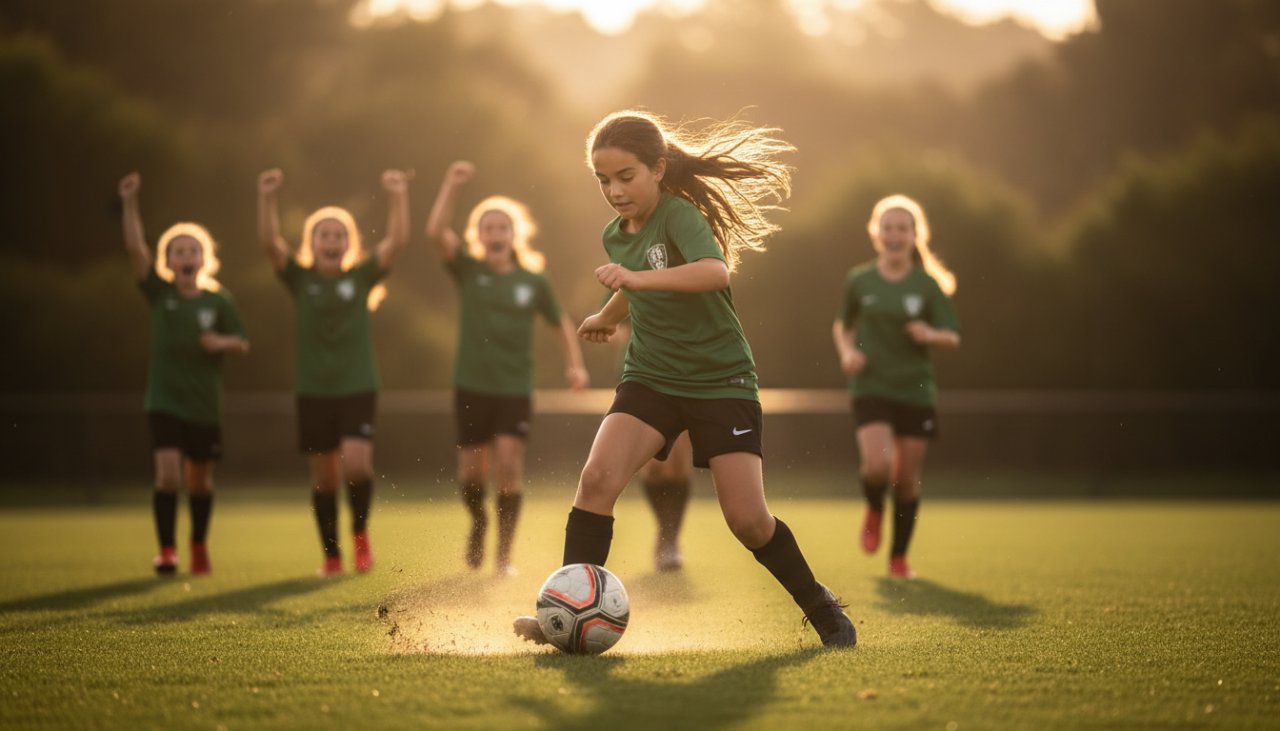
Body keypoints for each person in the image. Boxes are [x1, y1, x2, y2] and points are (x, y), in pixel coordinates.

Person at [514, 110, 857, 647]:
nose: (615, 191)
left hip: (721, 381)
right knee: (598, 480)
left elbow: (713, 271)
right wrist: (609, 315)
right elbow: (639, 284)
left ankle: (821, 605)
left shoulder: (680, 214)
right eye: (603, 180)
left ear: (658, 168)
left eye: (626, 177)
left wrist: (633, 278)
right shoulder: (615, 233)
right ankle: (565, 611)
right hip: (650, 376)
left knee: (747, 521)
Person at [425, 161, 589, 577]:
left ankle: (504, 555)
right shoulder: (470, 270)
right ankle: (478, 525)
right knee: (471, 475)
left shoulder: (533, 280)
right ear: (478, 236)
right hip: (471, 386)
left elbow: (560, 323)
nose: (495, 234)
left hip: (514, 387)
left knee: (509, 468)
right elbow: (434, 233)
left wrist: (575, 367)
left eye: (503, 227)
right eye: (488, 228)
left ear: (515, 234)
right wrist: (451, 185)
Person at [256, 167, 410, 576]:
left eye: (338, 234)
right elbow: (270, 243)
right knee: (324, 478)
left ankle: (360, 536)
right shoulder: (300, 278)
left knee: (357, 466)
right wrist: (267, 197)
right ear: (313, 243)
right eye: (323, 234)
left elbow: (396, 243)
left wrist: (397, 195)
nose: (331, 240)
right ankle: (330, 553)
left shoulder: (359, 278)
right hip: (313, 390)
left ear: (348, 243)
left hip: (357, 387)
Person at [118, 172, 250, 576]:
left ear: (204, 258)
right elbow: (136, 250)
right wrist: (130, 202)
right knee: (168, 475)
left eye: (193, 249)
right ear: (169, 260)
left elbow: (242, 340)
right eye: (178, 250)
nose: (186, 255)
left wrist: (221, 343)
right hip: (164, 400)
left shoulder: (218, 299)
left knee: (199, 482)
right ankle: (168, 551)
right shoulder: (161, 294)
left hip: (203, 405)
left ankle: (198, 545)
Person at [831, 194, 960, 580]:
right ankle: (874, 507)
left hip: (915, 391)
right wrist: (847, 353)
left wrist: (929, 333)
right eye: (887, 227)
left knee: (905, 479)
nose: (894, 234)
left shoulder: (927, 285)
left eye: (902, 228)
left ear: (914, 235)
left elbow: (952, 337)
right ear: (876, 234)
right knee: (877, 466)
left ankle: (899, 559)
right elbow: (842, 325)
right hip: (870, 386)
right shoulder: (859, 280)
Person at [606, 311, 694, 572]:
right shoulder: (625, 273)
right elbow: (611, 321)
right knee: (653, 466)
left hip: (682, 374)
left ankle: (670, 538)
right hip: (639, 375)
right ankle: (665, 534)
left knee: (676, 465)